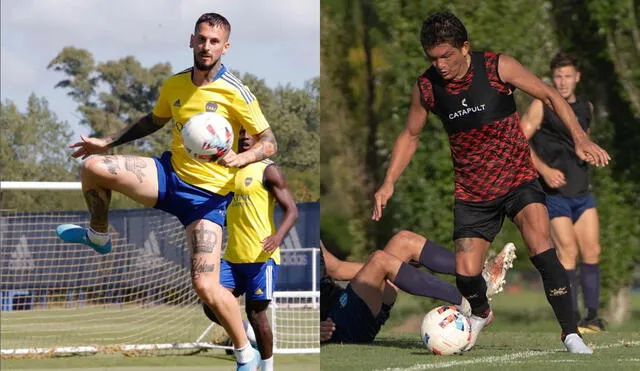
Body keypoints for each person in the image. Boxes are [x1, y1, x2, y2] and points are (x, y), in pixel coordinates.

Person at [372, 12, 610, 353]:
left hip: (518, 179)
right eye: (433, 58)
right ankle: (481, 312)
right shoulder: (427, 88)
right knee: (466, 274)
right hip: (473, 193)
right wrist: (388, 182)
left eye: (446, 56)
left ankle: (571, 333)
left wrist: (580, 138)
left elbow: (549, 96)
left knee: (542, 249)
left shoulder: (498, 67)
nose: (439, 64)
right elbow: (410, 134)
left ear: (465, 47)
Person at [55, 13, 277, 370]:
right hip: (168, 176)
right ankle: (98, 234)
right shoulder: (175, 85)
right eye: (202, 39)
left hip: (206, 201)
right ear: (192, 40)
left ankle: (245, 354)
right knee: (93, 168)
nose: (207, 46)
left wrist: (244, 156)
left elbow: (270, 142)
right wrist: (105, 142)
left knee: (205, 287)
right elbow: (152, 121)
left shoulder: (237, 91)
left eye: (214, 41)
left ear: (226, 47)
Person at [202, 127, 298, 371]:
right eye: (240, 133)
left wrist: (277, 237)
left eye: (250, 133)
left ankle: (267, 367)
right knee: (211, 304)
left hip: (261, 257)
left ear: (259, 139)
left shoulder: (268, 169)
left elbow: (292, 210)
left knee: (257, 315)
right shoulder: (229, 169)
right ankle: (248, 340)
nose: (244, 137)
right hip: (233, 257)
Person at [520, 52, 604, 333]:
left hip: (582, 191)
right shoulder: (541, 105)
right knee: (568, 252)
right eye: (558, 76)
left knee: (592, 251)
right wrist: (543, 169)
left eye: (568, 76)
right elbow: (518, 140)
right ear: (552, 78)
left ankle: (592, 317)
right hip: (554, 195)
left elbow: (583, 138)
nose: (563, 81)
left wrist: (591, 151)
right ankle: (573, 318)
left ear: (577, 77)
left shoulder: (586, 107)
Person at [320, 231, 516, 343]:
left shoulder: (306, 229)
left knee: (403, 241)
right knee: (380, 260)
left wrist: (393, 267)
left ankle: (480, 275)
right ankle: (465, 299)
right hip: (336, 327)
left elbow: (335, 268)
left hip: (347, 303)